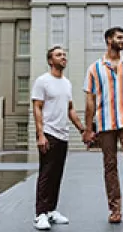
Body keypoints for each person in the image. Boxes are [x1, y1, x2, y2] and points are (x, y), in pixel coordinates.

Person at [82, 26, 123, 227]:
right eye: (119, 37)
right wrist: (88, 128)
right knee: (110, 166)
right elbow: (90, 101)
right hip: (105, 124)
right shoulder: (94, 68)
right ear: (108, 40)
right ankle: (115, 210)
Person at [32, 45, 86, 230]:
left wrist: (82, 129)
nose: (63, 57)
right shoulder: (42, 81)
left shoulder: (67, 83)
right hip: (49, 133)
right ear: (50, 60)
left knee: (57, 174)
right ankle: (40, 214)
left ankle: (51, 210)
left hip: (63, 135)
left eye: (64, 55)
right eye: (58, 55)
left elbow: (70, 109)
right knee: (46, 175)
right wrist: (40, 134)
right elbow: (37, 107)